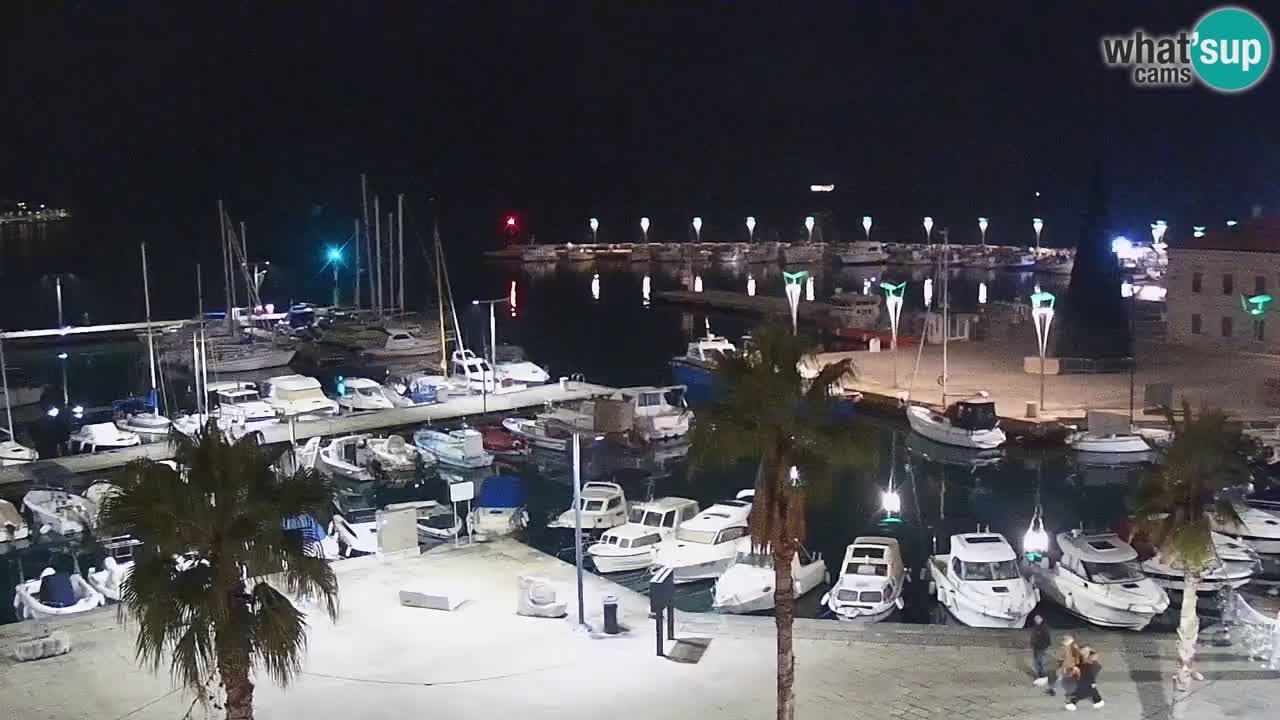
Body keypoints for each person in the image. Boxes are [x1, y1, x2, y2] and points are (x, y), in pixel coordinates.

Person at [1065, 646, 1104, 711]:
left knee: (1086, 692)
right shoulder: (1086, 663)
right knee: (1087, 692)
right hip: (1085, 681)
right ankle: (1097, 701)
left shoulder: (1090, 663)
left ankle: (1072, 703)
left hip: (1085, 681)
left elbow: (1091, 674)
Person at [1030, 614, 1056, 694]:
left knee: (1040, 661)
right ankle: (1040, 676)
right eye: (1035, 619)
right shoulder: (1036, 626)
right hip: (1036, 647)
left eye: (1037, 619)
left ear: (1040, 619)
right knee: (1036, 661)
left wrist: (1045, 645)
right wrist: (1032, 643)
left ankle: (1043, 676)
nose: (1036, 621)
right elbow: (1034, 636)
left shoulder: (1044, 627)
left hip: (1041, 647)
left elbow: (1047, 638)